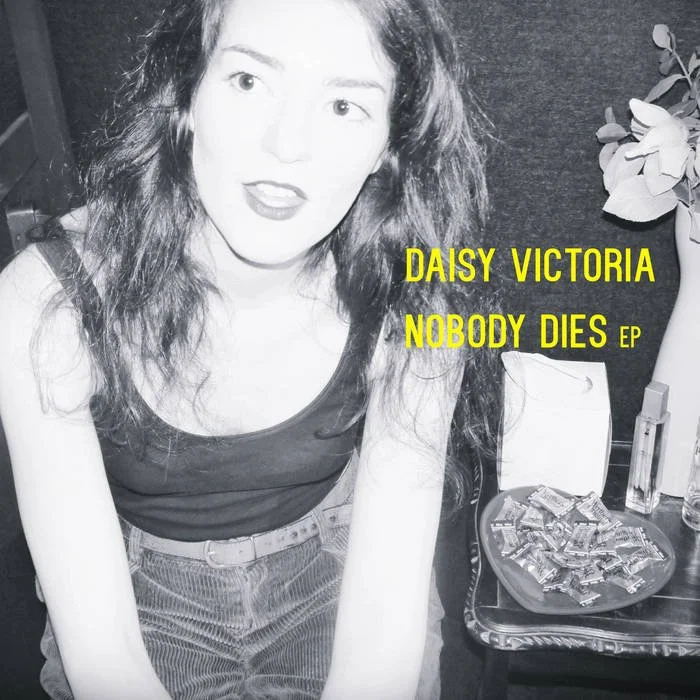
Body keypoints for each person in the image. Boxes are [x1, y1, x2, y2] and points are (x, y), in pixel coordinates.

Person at [0, 0, 499, 697]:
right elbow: (104, 656)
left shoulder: (418, 303)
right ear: (188, 92)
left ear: (389, 143)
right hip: (141, 599)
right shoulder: (47, 302)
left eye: (344, 106)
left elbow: (382, 630)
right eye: (248, 81)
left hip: (336, 573)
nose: (287, 145)